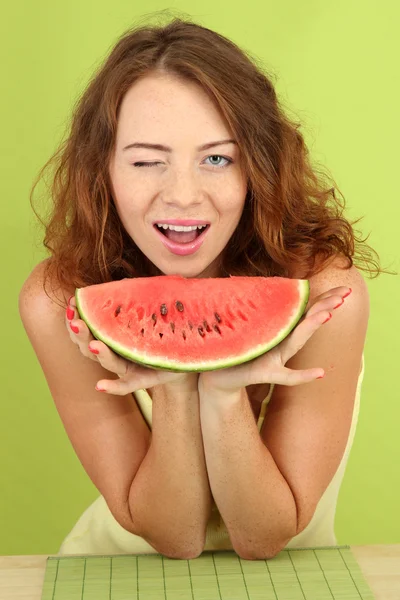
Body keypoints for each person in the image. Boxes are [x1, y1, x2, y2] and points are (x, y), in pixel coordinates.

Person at [19, 15, 388, 561]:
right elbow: (176, 538)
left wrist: (220, 395)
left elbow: (263, 536)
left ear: (257, 167)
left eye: (217, 158)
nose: (184, 196)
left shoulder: (325, 295)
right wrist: (173, 388)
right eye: (147, 161)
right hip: (114, 577)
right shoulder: (60, 302)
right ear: (104, 171)